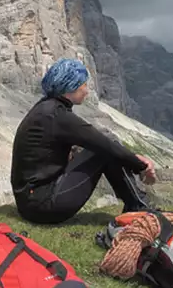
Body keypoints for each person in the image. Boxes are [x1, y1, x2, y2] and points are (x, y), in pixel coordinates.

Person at [11, 58, 157, 224]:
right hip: (43, 206)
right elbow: (103, 143)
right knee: (105, 149)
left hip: (31, 203)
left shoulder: (46, 109)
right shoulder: (57, 115)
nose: (86, 91)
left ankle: (136, 205)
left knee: (100, 147)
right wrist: (142, 165)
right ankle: (138, 206)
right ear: (71, 86)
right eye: (84, 85)